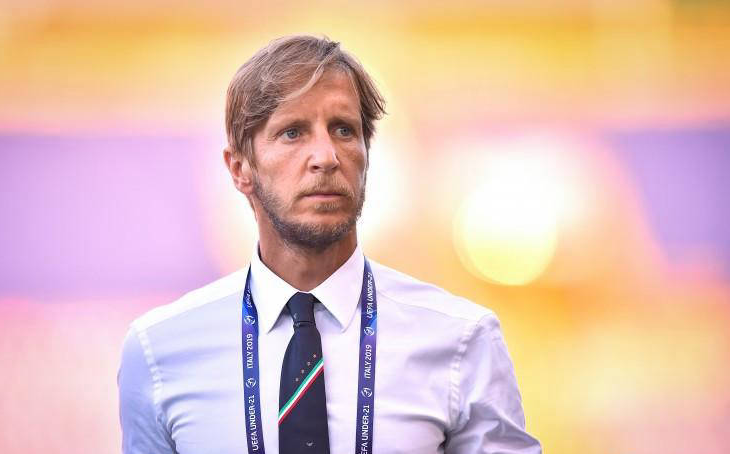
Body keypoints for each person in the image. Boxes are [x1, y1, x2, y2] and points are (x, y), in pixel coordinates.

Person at [118, 35, 542, 454]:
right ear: (240, 169)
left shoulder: (462, 340)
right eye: (292, 133)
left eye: (343, 130)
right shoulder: (159, 351)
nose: (326, 156)